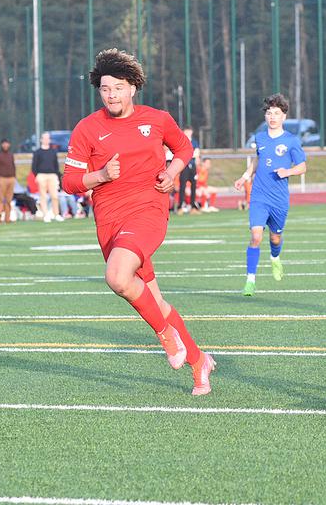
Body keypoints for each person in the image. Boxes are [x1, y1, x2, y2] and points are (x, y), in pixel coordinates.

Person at [62, 48, 215, 395]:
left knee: (117, 276)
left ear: (132, 87)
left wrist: (172, 172)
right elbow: (69, 182)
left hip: (148, 210)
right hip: (108, 221)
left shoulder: (157, 119)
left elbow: (184, 148)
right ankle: (198, 361)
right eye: (105, 88)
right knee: (156, 302)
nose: (111, 94)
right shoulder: (87, 129)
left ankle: (166, 337)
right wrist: (98, 175)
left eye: (118, 87)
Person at [233, 93, 307, 296]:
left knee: (275, 239)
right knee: (256, 236)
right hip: (259, 196)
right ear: (265, 116)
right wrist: (245, 176)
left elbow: (302, 167)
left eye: (276, 113)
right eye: (269, 112)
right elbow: (257, 159)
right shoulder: (260, 138)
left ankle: (275, 258)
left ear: (284, 116)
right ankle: (250, 281)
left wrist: (288, 172)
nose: (272, 116)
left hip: (279, 199)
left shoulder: (291, 141)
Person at [32, 131, 62, 222]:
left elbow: (56, 165)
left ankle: (56, 214)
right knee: (43, 196)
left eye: (48, 138)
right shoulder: (37, 152)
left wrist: (57, 175)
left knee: (55, 196)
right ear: (41, 140)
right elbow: (34, 166)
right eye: (44, 138)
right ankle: (45, 215)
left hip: (52, 175)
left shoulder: (53, 152)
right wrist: (37, 176)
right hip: (41, 175)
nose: (46, 140)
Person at [176, 127, 200, 215]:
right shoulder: (181, 141)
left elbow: (196, 153)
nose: (188, 133)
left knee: (194, 186)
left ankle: (193, 206)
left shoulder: (194, 142)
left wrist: (194, 157)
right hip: (184, 166)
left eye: (189, 131)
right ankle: (180, 207)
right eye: (186, 131)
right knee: (182, 186)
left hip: (192, 166)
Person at [0, 138, 16, 224]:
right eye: (4, 144)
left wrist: (14, 176)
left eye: (7, 144)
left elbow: (13, 166)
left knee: (9, 199)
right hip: (2, 179)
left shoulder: (10, 155)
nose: (6, 145)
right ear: (1, 145)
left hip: (11, 179)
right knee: (0, 199)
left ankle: (7, 218)